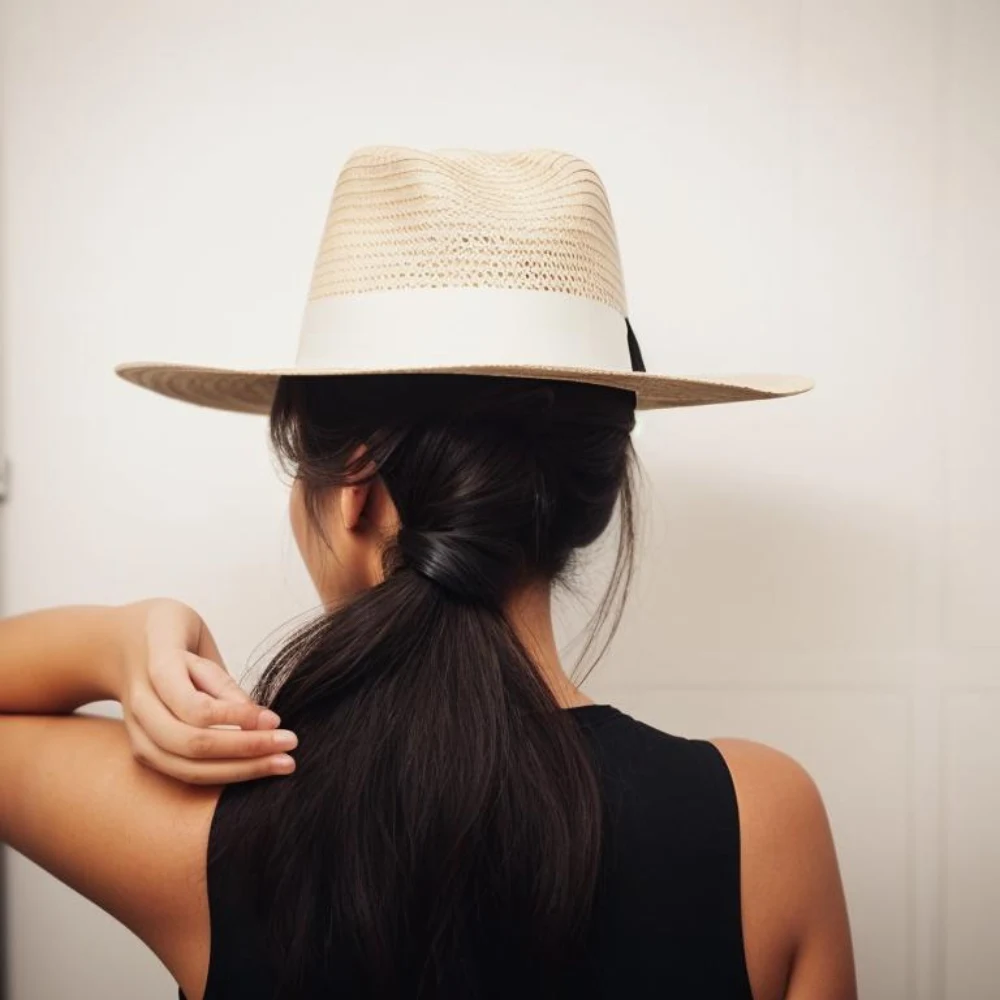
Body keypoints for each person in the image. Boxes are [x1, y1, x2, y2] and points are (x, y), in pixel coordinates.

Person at [0, 146, 856, 1000]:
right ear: (583, 496)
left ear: (356, 495)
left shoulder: (203, 827)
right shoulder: (765, 822)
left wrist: (122, 640)